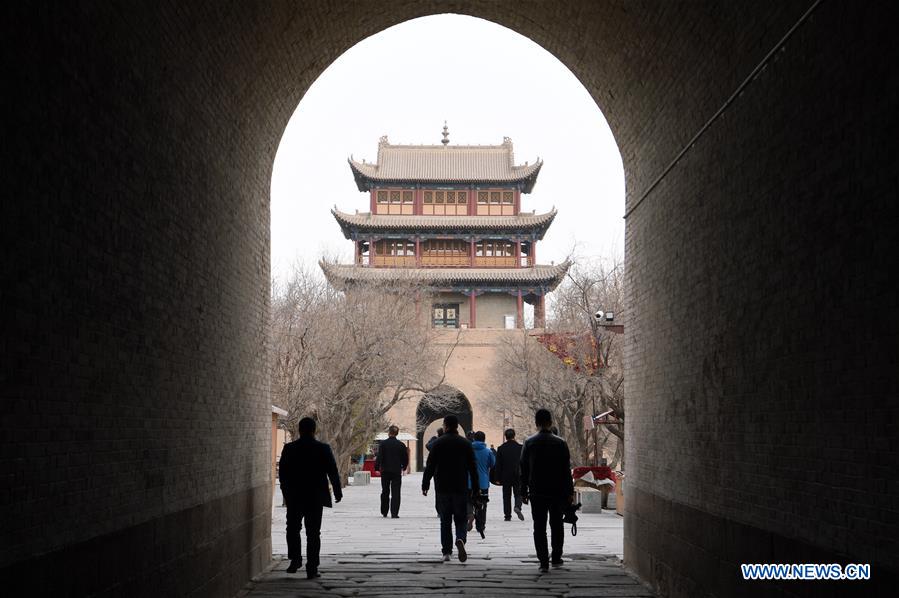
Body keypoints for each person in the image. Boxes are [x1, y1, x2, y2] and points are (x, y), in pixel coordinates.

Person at [278, 417, 342, 579]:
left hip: (295, 496)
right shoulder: (323, 448)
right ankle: (312, 567)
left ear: (299, 430)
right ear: (314, 430)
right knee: (313, 533)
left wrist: (286, 493)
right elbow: (332, 471)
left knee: (292, 529)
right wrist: (337, 490)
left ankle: (295, 559)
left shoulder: (290, 448)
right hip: (315, 496)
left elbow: (283, 474)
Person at [520, 409, 574, 572]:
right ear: (551, 423)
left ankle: (543, 561)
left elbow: (524, 469)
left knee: (539, 526)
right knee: (557, 524)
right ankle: (556, 557)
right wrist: (569, 492)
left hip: (537, 491)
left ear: (536, 423)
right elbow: (566, 470)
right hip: (557, 491)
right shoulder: (560, 443)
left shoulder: (529, 443)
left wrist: (523, 491)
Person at [422, 415, 479, 562]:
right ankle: (460, 539)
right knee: (460, 518)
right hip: (460, 486)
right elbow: (473, 468)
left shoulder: (438, 443)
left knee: (445, 520)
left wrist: (425, 483)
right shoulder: (466, 444)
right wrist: (476, 488)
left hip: (442, 487)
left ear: (445, 426)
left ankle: (446, 551)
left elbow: (430, 465)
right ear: (457, 426)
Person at [375, 425, 409, 518]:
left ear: (389, 432)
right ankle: (394, 513)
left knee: (385, 491)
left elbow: (379, 456)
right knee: (396, 492)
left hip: (385, 470)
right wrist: (404, 466)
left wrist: (377, 468)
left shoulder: (383, 444)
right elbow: (405, 458)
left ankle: (384, 511)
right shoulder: (401, 445)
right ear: (397, 433)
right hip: (396, 471)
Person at [468, 431, 495, 539]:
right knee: (483, 504)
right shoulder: (488, 452)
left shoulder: (468, 450)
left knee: (468, 500)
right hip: (483, 483)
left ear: (474, 439)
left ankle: (469, 514)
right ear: (484, 439)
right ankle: (481, 526)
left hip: (469, 482)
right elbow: (493, 464)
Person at [495, 428, 524, 521]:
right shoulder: (520, 448)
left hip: (505, 475)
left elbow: (498, 465)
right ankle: (518, 507)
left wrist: (497, 478)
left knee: (506, 496)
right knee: (518, 493)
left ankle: (507, 515)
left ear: (505, 436)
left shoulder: (501, 448)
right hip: (517, 474)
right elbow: (524, 463)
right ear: (514, 436)